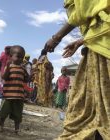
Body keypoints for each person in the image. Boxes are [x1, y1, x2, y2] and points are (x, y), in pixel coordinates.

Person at [44, 0, 110, 139]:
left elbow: (82, 12)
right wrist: (82, 40)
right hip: (98, 45)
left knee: (97, 105)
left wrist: (56, 38)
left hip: (104, 51)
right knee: (97, 105)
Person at [0, 45, 28, 134]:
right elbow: (4, 77)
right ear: (10, 57)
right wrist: (7, 67)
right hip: (8, 96)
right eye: (18, 56)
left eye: (22, 57)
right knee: (3, 112)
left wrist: (31, 76)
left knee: (18, 114)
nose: (20, 59)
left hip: (19, 96)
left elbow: (26, 79)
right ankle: (0, 126)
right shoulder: (9, 67)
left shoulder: (23, 68)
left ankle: (17, 129)